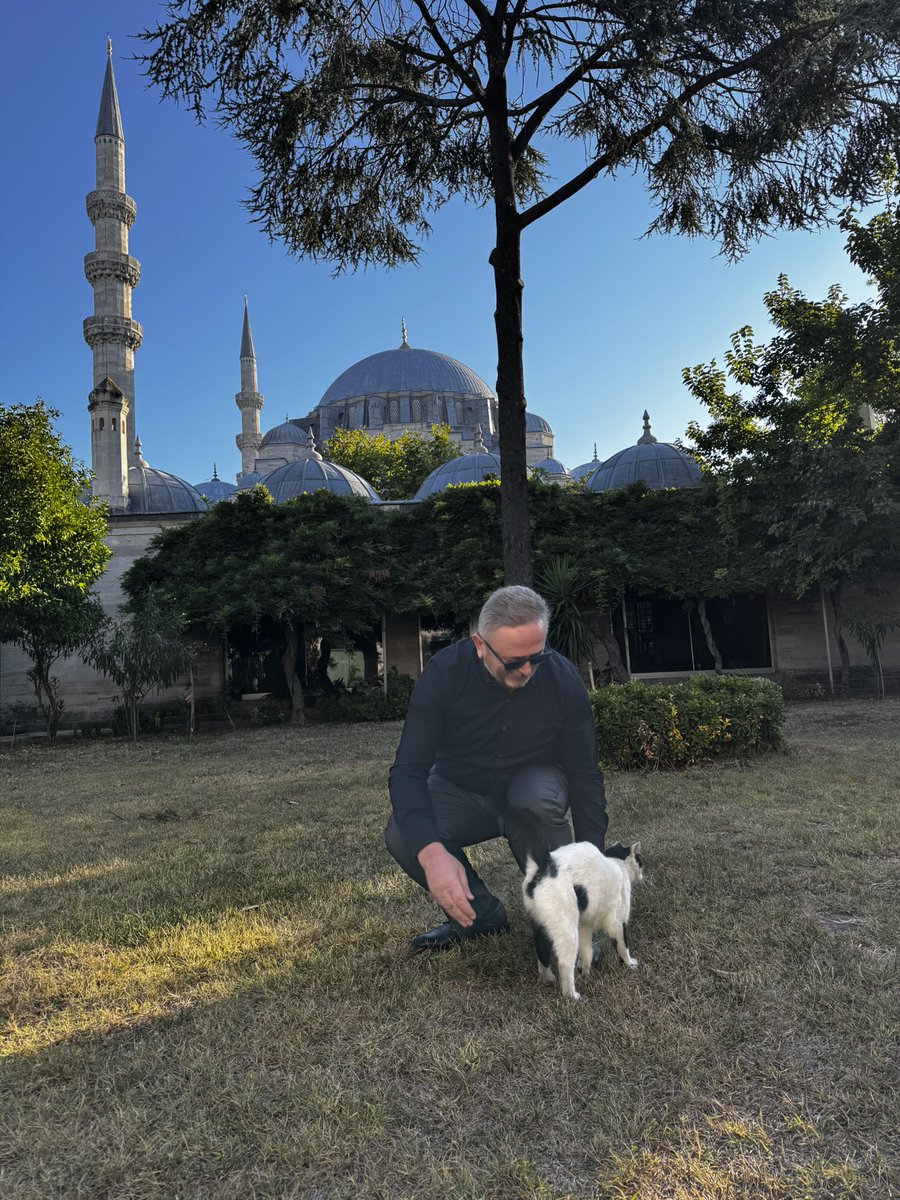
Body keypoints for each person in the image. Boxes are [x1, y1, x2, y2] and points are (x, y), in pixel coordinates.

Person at [386, 585, 608, 951]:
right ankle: (483, 916)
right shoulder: (444, 674)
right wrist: (431, 852)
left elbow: (585, 776)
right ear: (479, 646)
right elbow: (408, 770)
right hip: (461, 789)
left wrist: (591, 862)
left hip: (533, 793)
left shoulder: (563, 681)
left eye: (536, 657)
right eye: (512, 662)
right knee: (402, 832)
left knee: (533, 795)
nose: (526, 670)